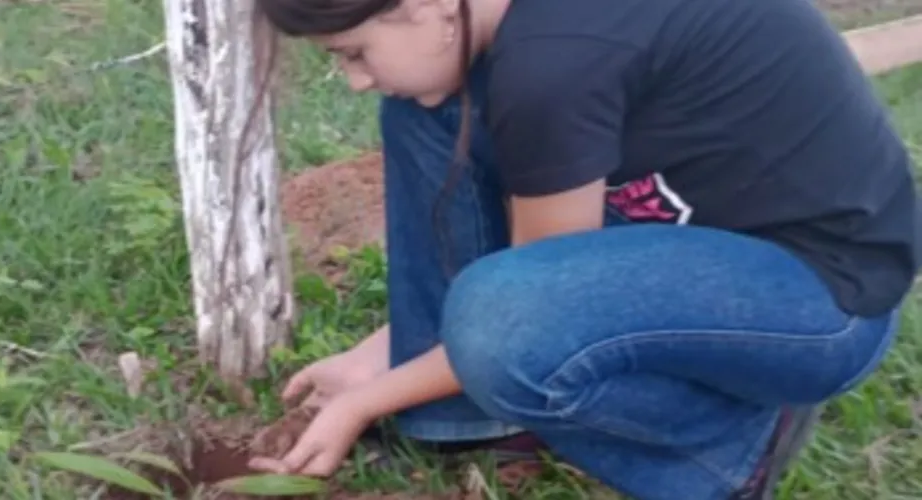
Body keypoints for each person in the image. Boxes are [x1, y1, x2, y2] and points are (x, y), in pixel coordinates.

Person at [244, 0, 921, 498]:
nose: (357, 80)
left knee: (506, 327)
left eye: (353, 53)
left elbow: (532, 306)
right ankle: (462, 416)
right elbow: (541, 256)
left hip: (821, 300)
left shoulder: (554, 61)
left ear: (428, 7)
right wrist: (385, 353)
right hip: (717, 235)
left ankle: (729, 449)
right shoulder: (517, 31)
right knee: (428, 112)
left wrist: (368, 397)